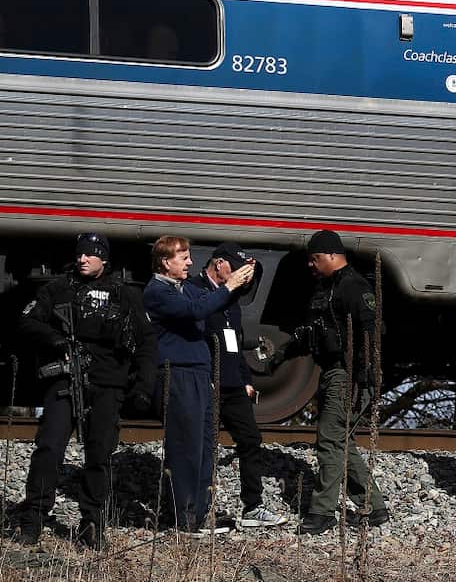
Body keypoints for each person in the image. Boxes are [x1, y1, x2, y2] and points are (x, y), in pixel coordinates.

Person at [10, 233, 156, 549]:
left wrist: (144, 387)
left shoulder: (124, 295)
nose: (83, 259)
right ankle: (33, 519)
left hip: (108, 385)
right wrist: (56, 341)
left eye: (91, 254)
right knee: (49, 447)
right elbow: (26, 323)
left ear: (104, 259)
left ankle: (92, 522)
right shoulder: (58, 289)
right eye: (80, 254)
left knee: (99, 454)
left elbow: (147, 344)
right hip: (65, 380)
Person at [144, 235, 255, 533]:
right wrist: (229, 285)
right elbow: (196, 311)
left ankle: (201, 513)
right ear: (166, 262)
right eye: (184, 258)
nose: (191, 263)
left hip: (199, 374)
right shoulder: (158, 292)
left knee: (205, 446)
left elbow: (209, 306)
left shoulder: (183, 290)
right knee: (186, 448)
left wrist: (236, 285)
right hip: (179, 374)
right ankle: (186, 518)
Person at [295, 230, 389, 535]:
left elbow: (372, 332)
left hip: (348, 375)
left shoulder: (354, 287)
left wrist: (365, 377)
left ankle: (322, 512)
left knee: (329, 439)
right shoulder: (327, 287)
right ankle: (372, 507)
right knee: (341, 441)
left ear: (333, 255)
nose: (310, 265)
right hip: (333, 371)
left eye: (315, 258)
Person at [191, 242, 286, 529]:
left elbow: (234, 344)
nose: (240, 277)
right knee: (204, 447)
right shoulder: (194, 292)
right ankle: (200, 511)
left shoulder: (231, 300)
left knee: (250, 440)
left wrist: (246, 380)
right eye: (235, 268)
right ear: (219, 264)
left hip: (233, 384)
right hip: (206, 382)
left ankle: (253, 506)